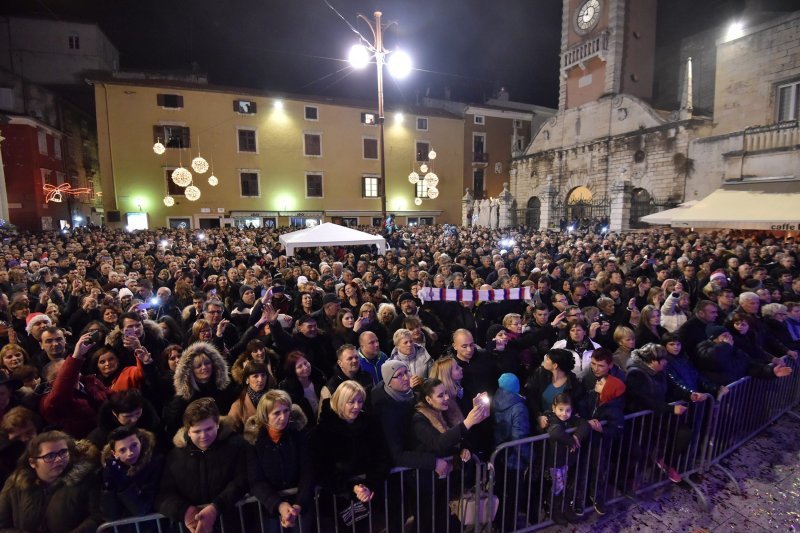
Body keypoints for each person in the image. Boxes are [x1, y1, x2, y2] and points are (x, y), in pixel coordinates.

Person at [156, 398, 248, 533]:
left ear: (217, 424)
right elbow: (163, 494)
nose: (204, 436)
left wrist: (216, 507)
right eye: (197, 431)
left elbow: (243, 480)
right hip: (193, 528)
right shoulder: (174, 456)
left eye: (209, 428)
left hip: (234, 524)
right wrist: (185, 511)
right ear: (188, 431)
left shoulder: (237, 445)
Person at [0, 430, 102, 532]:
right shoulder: (15, 484)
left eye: (63, 452)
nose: (59, 459)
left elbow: (97, 516)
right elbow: (2, 526)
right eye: (50, 456)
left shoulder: (86, 479)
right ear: (32, 462)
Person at [245, 390, 314, 531]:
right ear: (265, 416)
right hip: (269, 510)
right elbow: (256, 480)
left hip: (299, 507)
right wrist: (279, 505)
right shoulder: (254, 442)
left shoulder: (298, 435)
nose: (283, 417)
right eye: (276, 413)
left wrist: (299, 504)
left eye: (286, 411)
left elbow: (308, 471)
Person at [313, 381, 379, 530]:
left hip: (365, 496)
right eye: (351, 402)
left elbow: (381, 458)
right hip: (335, 501)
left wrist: (369, 485)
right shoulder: (323, 431)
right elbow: (322, 470)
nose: (357, 406)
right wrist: (350, 487)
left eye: (360, 401)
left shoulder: (370, 424)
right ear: (340, 402)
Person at [625, 343, 689, 484]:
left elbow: (673, 387)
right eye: (663, 360)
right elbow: (645, 400)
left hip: (656, 416)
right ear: (652, 361)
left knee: (683, 433)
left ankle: (666, 462)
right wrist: (671, 409)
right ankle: (627, 482)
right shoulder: (635, 374)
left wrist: (690, 395)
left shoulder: (660, 371)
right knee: (637, 452)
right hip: (640, 421)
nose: (666, 362)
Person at [163, 341, 239, 437]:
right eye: (198, 366)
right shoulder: (184, 396)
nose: (204, 368)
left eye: (207, 363)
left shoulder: (224, 386)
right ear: (190, 371)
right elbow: (173, 423)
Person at [541, 393, 590, 525]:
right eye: (561, 410)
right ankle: (554, 510)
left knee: (567, 485)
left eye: (568, 410)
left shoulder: (572, 419)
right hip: (555, 462)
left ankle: (565, 508)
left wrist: (577, 437)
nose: (564, 413)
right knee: (558, 487)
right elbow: (555, 432)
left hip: (567, 461)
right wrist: (571, 441)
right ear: (554, 408)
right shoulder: (551, 418)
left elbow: (585, 424)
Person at [100, 425, 164, 521]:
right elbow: (109, 516)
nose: (130, 453)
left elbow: (142, 509)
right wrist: (108, 487)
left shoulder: (156, 462)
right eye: (122, 450)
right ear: (114, 453)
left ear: (141, 442)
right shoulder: (110, 469)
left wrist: (124, 484)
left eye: (134, 445)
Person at [525, 348, 583, 432]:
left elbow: (578, 406)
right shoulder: (540, 375)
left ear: (555, 365)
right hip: (540, 427)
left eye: (548, 358)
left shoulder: (574, 384)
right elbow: (532, 398)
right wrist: (538, 416)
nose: (545, 360)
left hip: (562, 429)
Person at [278, 351, 326, 427]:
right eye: (299, 366)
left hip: (324, 418)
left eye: (306, 363)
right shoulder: (289, 389)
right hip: (307, 425)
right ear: (293, 371)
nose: (305, 367)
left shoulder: (319, 377)